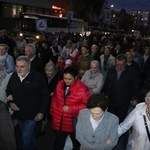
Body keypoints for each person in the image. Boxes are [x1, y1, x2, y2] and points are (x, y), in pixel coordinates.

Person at [6, 56, 50, 150]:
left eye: (22, 66)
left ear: (29, 66)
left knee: (25, 137)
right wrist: (11, 103)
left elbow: (45, 96)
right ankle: (34, 146)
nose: (19, 69)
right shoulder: (14, 76)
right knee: (28, 134)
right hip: (18, 113)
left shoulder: (38, 78)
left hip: (32, 114)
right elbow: (8, 91)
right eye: (17, 66)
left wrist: (42, 112)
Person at [50, 67, 91, 150]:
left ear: (76, 77)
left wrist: (71, 109)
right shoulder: (60, 84)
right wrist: (53, 110)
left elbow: (86, 106)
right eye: (65, 78)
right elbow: (55, 98)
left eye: (69, 79)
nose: (66, 81)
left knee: (76, 145)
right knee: (58, 144)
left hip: (73, 122)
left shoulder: (83, 89)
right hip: (59, 120)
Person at [104, 54, 139, 122]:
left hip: (124, 101)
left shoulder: (131, 72)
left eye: (121, 64)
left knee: (120, 120)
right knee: (110, 120)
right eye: (118, 64)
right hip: (112, 100)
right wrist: (106, 94)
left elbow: (135, 86)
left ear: (125, 63)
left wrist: (136, 98)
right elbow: (106, 84)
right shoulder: (111, 70)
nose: (119, 66)